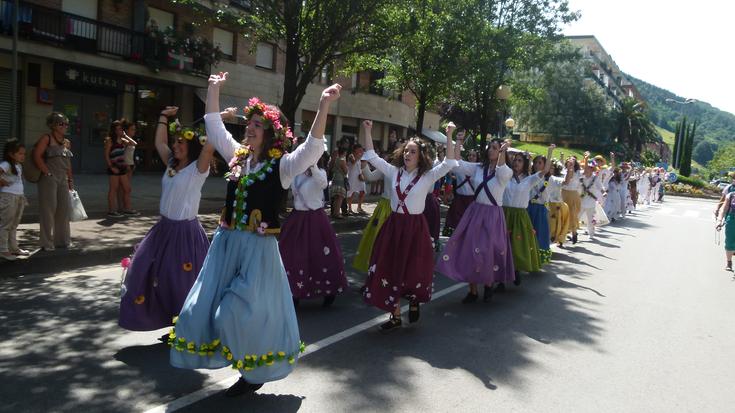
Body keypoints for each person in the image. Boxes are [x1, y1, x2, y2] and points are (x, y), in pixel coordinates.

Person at [169, 72, 340, 397]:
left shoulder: (283, 166)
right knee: (198, 310)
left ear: (272, 134)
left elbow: (312, 148)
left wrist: (322, 105)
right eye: (250, 123)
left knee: (235, 311)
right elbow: (215, 128)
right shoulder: (237, 156)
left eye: (258, 125)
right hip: (225, 245)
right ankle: (245, 367)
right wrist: (213, 89)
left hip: (257, 251)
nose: (250, 127)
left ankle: (253, 368)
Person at [118, 106, 215, 334]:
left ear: (191, 146)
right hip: (162, 231)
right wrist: (163, 117)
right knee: (141, 271)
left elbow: (209, 146)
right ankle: (158, 318)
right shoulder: (171, 164)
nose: (175, 146)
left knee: (177, 281)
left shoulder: (197, 169)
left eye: (181, 143)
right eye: (176, 142)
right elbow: (160, 143)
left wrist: (217, 118)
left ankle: (184, 325)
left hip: (184, 233)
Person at [360, 120, 457, 331]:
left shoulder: (428, 176)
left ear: (420, 156)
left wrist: (449, 135)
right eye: (406, 151)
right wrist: (367, 130)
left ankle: (414, 300)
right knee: (388, 267)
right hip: (394, 226)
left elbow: (449, 162)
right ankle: (394, 315)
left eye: (412, 152)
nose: (407, 155)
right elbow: (371, 155)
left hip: (415, 228)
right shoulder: (394, 172)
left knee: (414, 268)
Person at [436, 137, 513, 303]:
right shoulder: (479, 168)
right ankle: (472, 291)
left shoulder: (506, 172)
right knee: (470, 250)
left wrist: (503, 151)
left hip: (493, 216)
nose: (491, 150)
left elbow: (500, 169)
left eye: (495, 148)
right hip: (475, 212)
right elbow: (458, 163)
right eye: (490, 147)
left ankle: (488, 283)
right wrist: (457, 140)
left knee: (487, 251)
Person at [280, 155, 347, 308]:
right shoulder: (295, 173)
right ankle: (293, 291)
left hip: (316, 220)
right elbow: (284, 183)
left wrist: (313, 166)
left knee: (321, 256)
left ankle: (329, 290)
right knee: (291, 255)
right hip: (297, 219)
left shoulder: (321, 172)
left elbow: (323, 184)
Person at [502, 146, 555, 285]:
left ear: (525, 164)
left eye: (519, 160)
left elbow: (545, 171)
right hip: (504, 213)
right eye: (514, 160)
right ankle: (500, 279)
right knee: (502, 245)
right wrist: (503, 150)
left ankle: (515, 270)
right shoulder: (505, 176)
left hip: (520, 216)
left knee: (517, 245)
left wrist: (549, 152)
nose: (516, 162)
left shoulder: (530, 179)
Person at [33, 112, 74, 251]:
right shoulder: (46, 138)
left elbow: (68, 162)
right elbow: (36, 156)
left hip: (63, 178)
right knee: (48, 211)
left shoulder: (66, 142)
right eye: (61, 123)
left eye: (66, 123)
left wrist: (70, 180)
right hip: (48, 178)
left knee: (63, 210)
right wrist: (47, 172)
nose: (65, 126)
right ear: (53, 125)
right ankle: (46, 242)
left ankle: (62, 241)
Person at [352, 152, 393, 272]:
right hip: (385, 207)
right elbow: (370, 177)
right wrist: (364, 164)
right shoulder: (388, 167)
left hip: (401, 210)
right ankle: (374, 274)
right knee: (377, 241)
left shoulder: (410, 170)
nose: (406, 154)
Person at [0, 140, 29, 260]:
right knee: (6, 224)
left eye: (24, 154)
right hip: (8, 197)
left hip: (18, 197)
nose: (23, 156)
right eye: (20, 153)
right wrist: (3, 182)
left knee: (14, 224)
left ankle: (13, 248)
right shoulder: (6, 164)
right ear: (11, 154)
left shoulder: (18, 165)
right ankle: (3, 249)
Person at [443, 136, 477, 237]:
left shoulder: (479, 170)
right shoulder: (460, 167)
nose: (471, 157)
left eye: (474, 156)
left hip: (472, 202)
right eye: (470, 155)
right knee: (456, 227)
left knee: (469, 228)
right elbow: (452, 164)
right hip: (459, 201)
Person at [527, 151, 556, 265]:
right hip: (529, 208)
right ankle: (527, 256)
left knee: (540, 234)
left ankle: (539, 258)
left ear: (545, 165)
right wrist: (529, 160)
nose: (537, 165)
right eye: (535, 163)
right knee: (529, 233)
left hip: (541, 209)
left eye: (540, 163)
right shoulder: (530, 177)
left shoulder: (549, 179)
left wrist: (550, 153)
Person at [104, 120, 136, 217]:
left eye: (120, 129)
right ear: (113, 130)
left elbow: (134, 143)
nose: (119, 131)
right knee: (113, 189)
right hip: (114, 167)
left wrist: (125, 135)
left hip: (122, 167)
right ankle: (112, 211)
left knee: (127, 189)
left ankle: (127, 209)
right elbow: (106, 155)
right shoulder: (110, 140)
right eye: (117, 129)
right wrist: (111, 167)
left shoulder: (123, 140)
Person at [578, 155, 605, 240]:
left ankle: (591, 233)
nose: (587, 169)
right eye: (586, 167)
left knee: (590, 218)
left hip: (591, 201)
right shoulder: (581, 177)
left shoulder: (595, 178)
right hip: (581, 200)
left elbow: (600, 186)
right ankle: (572, 232)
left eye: (590, 168)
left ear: (592, 169)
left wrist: (604, 192)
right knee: (576, 217)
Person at [547, 158, 572, 247]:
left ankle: (559, 239)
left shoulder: (555, 179)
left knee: (558, 225)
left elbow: (566, 181)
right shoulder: (539, 177)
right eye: (548, 167)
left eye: (552, 168)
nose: (549, 169)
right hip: (545, 205)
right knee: (550, 226)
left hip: (555, 205)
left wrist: (569, 169)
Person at [561, 155, 583, 244]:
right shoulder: (563, 170)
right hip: (563, 193)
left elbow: (570, 178)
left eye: (573, 160)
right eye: (569, 160)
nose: (570, 161)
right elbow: (564, 180)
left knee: (572, 215)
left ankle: (574, 233)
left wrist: (586, 158)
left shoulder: (578, 172)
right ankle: (562, 236)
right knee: (562, 215)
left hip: (573, 195)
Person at [119, 119, 138, 214]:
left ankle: (123, 207)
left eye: (134, 129)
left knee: (126, 188)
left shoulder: (129, 139)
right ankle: (126, 208)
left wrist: (132, 164)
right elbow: (123, 153)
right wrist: (125, 135)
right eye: (132, 129)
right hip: (125, 165)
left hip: (130, 165)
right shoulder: (126, 140)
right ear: (126, 130)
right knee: (126, 188)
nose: (134, 131)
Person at [717, 191, 735, 271]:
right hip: (732, 220)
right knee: (729, 243)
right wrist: (719, 220)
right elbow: (724, 208)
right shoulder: (731, 195)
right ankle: (729, 262)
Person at [346, 144, 367, 215]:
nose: (361, 151)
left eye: (361, 149)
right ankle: (349, 208)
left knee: (363, 191)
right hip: (352, 177)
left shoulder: (360, 157)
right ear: (355, 149)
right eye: (359, 149)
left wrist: (365, 160)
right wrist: (359, 156)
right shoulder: (351, 156)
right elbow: (353, 162)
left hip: (359, 176)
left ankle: (359, 207)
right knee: (351, 192)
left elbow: (361, 166)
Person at [329, 147, 348, 219]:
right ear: (344, 153)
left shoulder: (335, 160)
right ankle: (337, 213)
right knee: (340, 197)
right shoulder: (342, 160)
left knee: (336, 197)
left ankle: (334, 212)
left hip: (334, 179)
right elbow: (346, 171)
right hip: (340, 179)